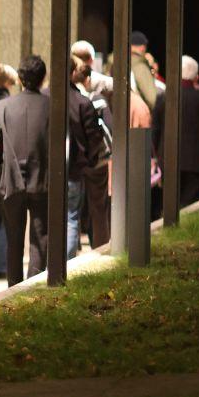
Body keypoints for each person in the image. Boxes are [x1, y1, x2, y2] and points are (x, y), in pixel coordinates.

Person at [0, 55, 51, 284]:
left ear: (19, 78)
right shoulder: (51, 106)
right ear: (43, 78)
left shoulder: (2, 107)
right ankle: (33, 285)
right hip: (43, 180)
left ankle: (13, 287)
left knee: (13, 239)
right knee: (40, 237)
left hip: (11, 180)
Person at [151, 55, 199, 206]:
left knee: (170, 205)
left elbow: (155, 132)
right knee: (190, 207)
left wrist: (156, 157)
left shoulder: (163, 98)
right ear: (196, 77)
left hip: (168, 160)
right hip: (196, 162)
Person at [67, 61, 109, 258]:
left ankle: (52, 264)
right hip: (80, 166)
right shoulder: (82, 102)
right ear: (73, 72)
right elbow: (94, 137)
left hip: (51, 169)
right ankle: (68, 262)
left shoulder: (45, 99)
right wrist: (90, 160)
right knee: (73, 217)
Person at [0, 64, 17, 278]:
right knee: (4, 215)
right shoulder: (6, 104)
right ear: (7, 83)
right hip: (2, 165)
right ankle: (0, 264)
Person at [129, 31, 158, 109]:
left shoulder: (116, 63)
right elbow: (152, 99)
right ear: (143, 47)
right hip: (139, 114)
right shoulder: (140, 67)